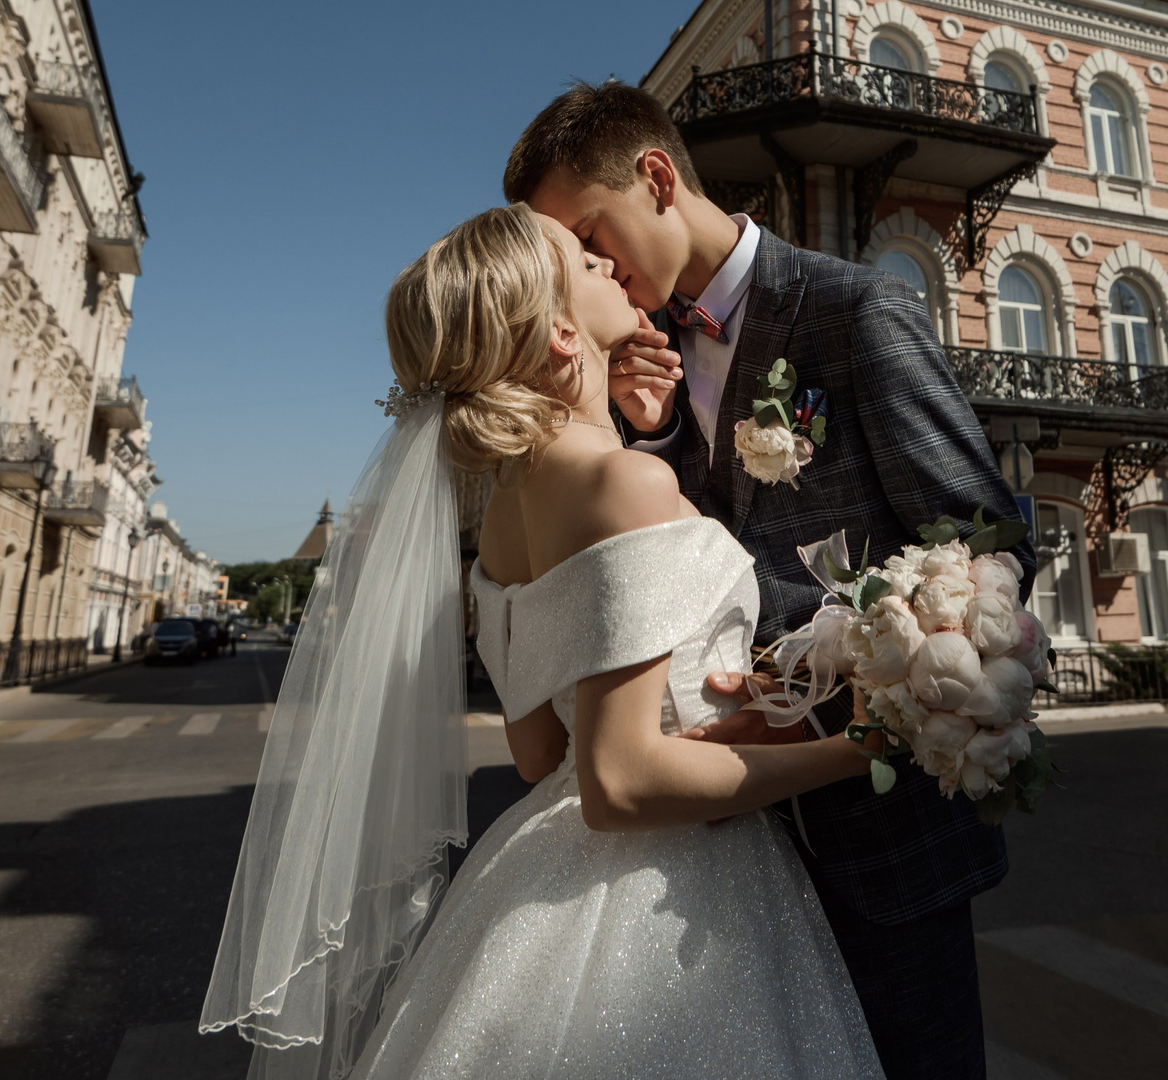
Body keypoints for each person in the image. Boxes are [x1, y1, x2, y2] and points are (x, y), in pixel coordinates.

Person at [204, 203, 885, 1079]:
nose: (609, 265)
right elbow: (618, 781)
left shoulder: (500, 527)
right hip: (677, 896)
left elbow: (538, 753)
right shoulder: (627, 484)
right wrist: (857, 746)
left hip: (535, 871)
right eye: (584, 262)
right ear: (564, 334)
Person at [506, 81, 1030, 1080]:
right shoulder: (628, 374)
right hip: (711, 863)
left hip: (877, 831)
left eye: (585, 234)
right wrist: (645, 430)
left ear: (656, 178)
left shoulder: (854, 307)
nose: (581, 268)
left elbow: (982, 533)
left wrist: (857, 704)